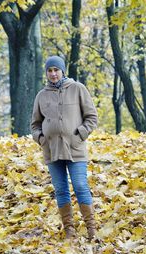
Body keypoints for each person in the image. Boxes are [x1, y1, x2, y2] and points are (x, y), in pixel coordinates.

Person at [31, 55, 98, 241]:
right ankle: (69, 230)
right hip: (52, 150)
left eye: (56, 70)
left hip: (75, 148)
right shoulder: (41, 95)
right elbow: (35, 124)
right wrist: (41, 139)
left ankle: (91, 230)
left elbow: (92, 117)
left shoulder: (77, 89)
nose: (53, 74)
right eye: (49, 70)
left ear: (62, 71)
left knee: (80, 185)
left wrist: (81, 134)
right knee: (61, 190)